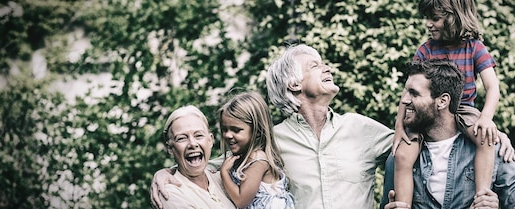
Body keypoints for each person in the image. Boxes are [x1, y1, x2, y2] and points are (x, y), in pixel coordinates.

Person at [151, 44, 394, 209]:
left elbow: (409, 150)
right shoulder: (271, 142)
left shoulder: (361, 127)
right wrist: (165, 173)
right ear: (293, 84)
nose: (327, 68)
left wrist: (394, 201)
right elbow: (208, 164)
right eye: (314, 65)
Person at [391, 0, 515, 206]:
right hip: (430, 113)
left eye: (435, 18)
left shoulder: (475, 48)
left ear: (454, 17)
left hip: (465, 109)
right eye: (427, 18)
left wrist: (485, 119)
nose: (428, 24)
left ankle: (482, 197)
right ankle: (402, 204)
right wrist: (399, 127)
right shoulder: (426, 50)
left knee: (486, 140)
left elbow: (493, 87)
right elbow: (409, 91)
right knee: (403, 154)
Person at [381, 59, 515, 209]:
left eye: (414, 93)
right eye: (406, 92)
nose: (404, 101)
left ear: (443, 101)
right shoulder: (400, 157)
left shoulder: (492, 148)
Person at [218, 91, 295, 209]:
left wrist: (224, 174)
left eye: (236, 130)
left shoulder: (257, 159)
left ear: (257, 131)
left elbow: (241, 201)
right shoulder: (243, 157)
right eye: (224, 129)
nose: (228, 135)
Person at [155, 105, 236, 208]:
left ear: (210, 140)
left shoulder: (223, 178)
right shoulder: (171, 193)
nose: (193, 144)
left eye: (199, 135)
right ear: (170, 148)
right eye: (181, 138)